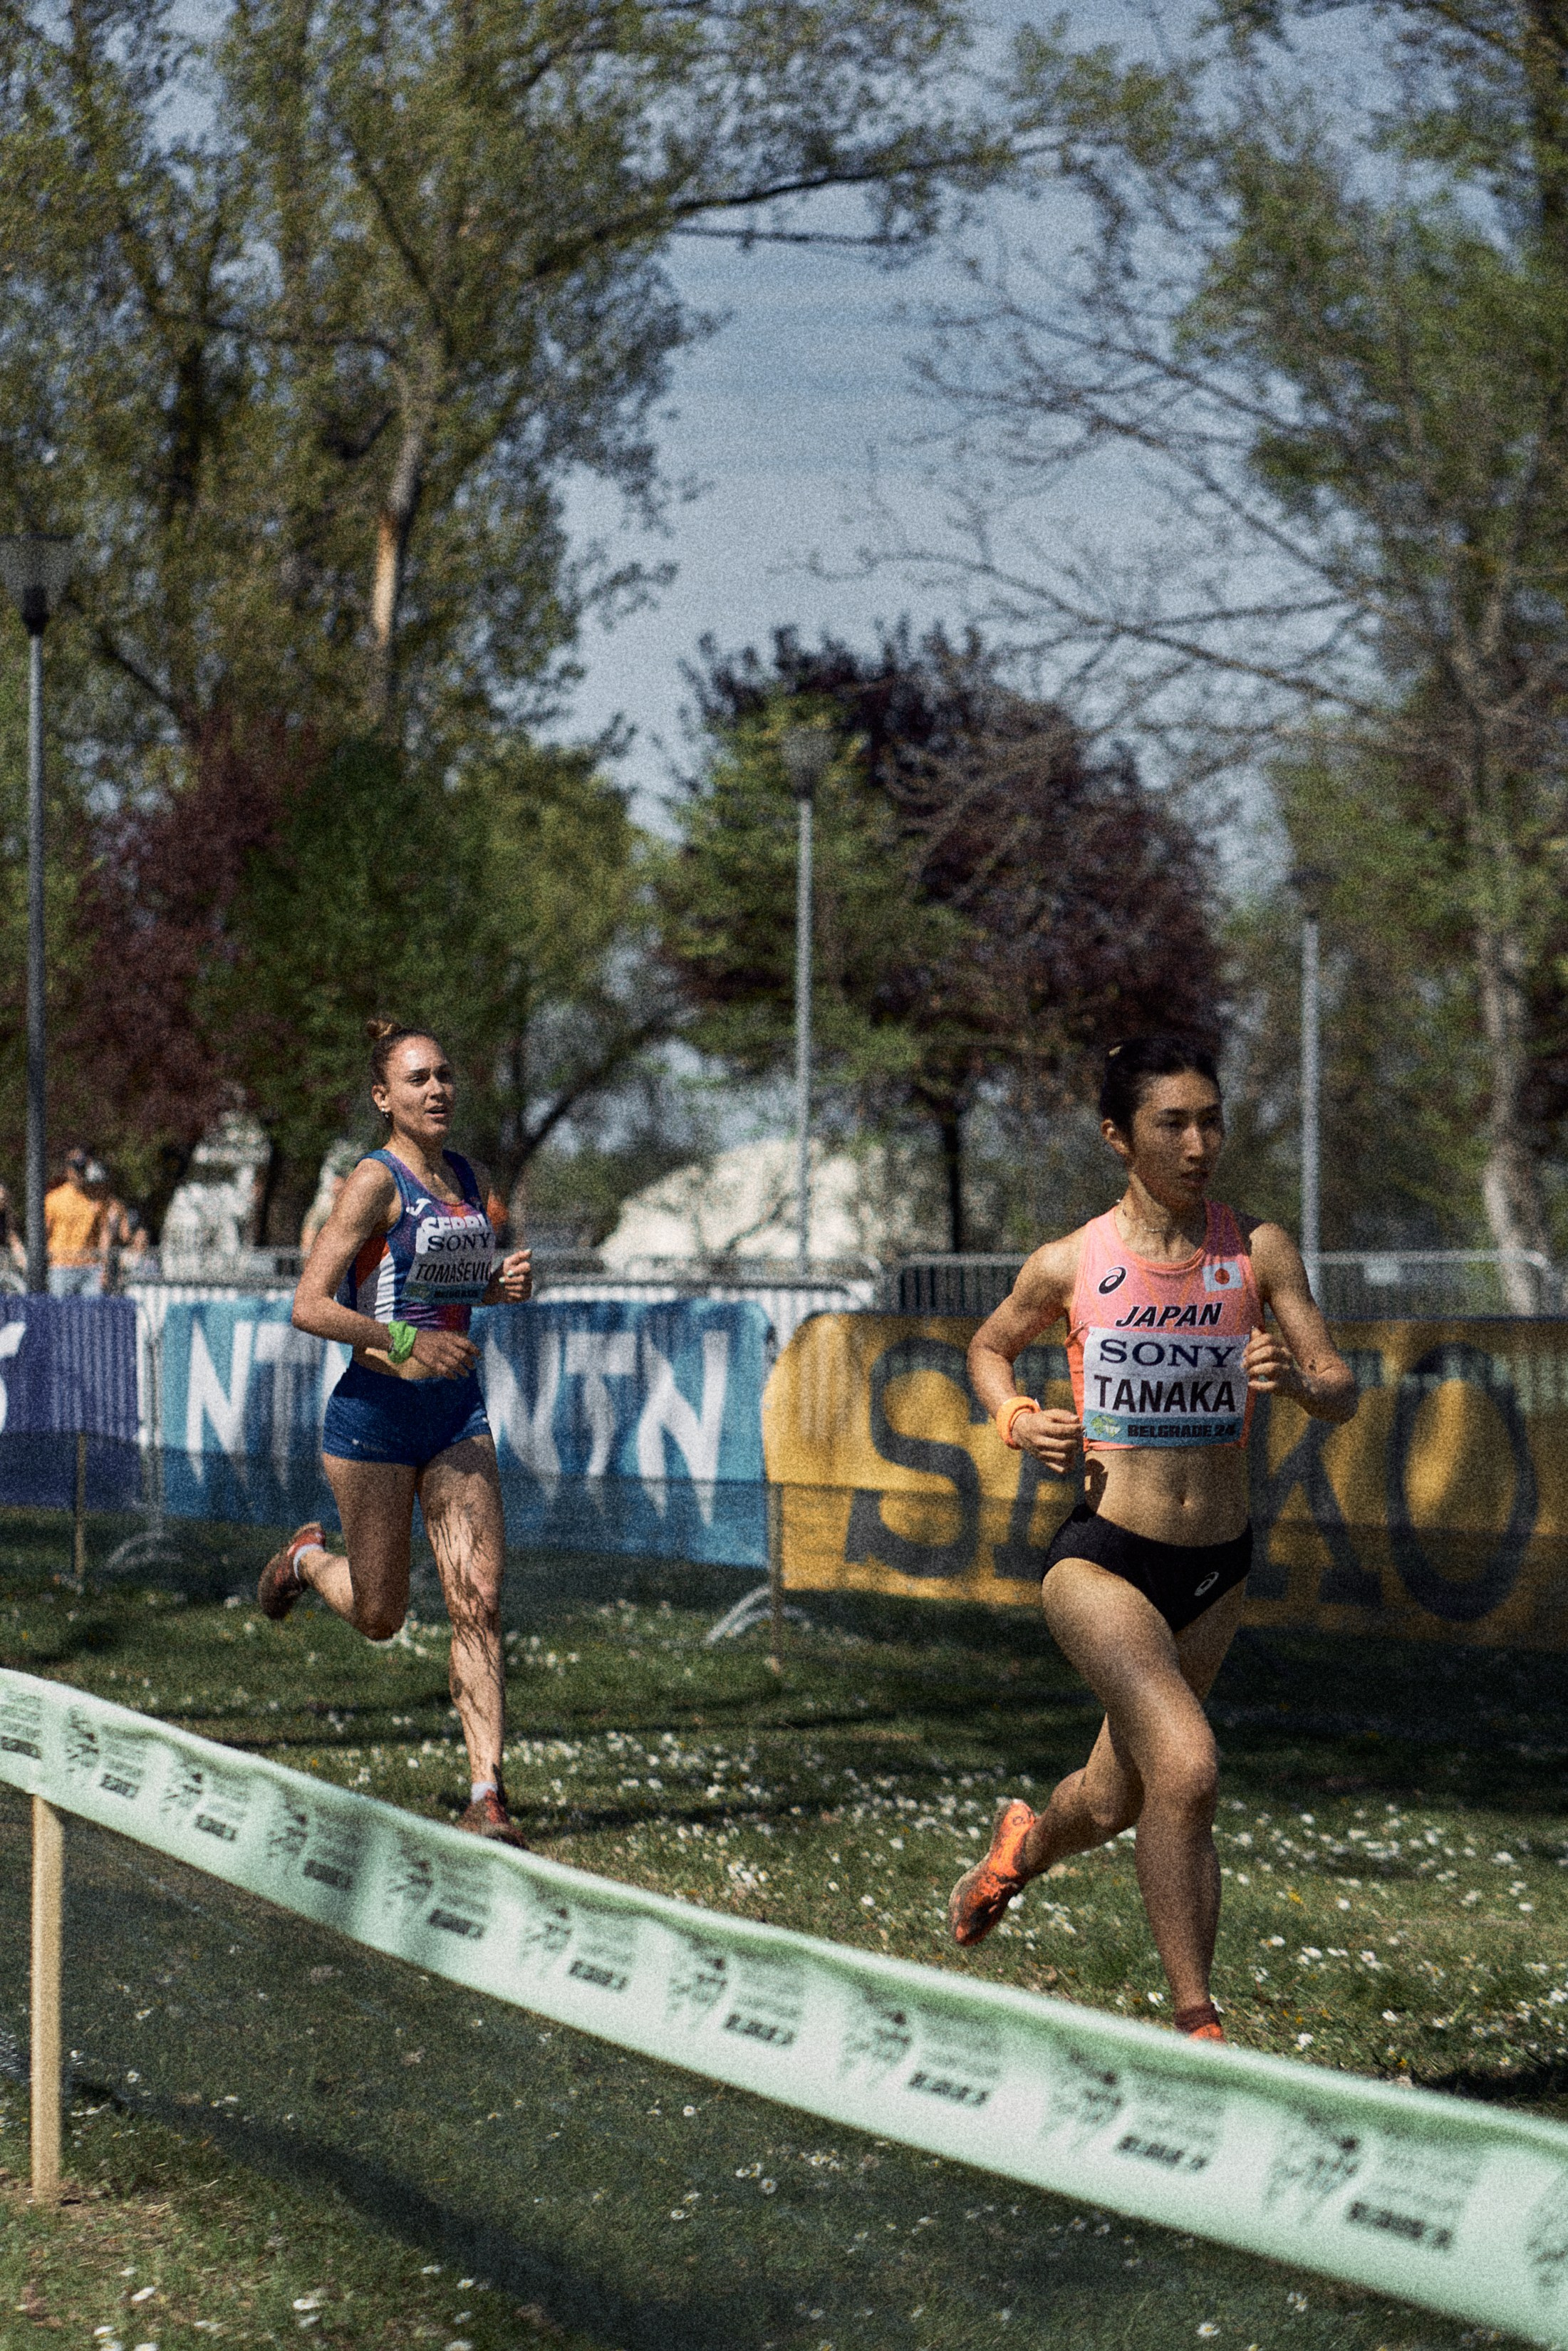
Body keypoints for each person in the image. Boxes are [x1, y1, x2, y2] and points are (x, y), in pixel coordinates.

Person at [950, 1034, 1357, 2040]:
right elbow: (990, 1347)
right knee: (1186, 1768)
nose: (1198, 1143)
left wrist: (1298, 1382)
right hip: (1104, 1559)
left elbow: (1338, 1386)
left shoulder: (1256, 1249)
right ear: (1117, 1138)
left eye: (1210, 1120)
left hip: (1216, 1570)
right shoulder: (1071, 1261)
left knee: (1113, 1795)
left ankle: (1016, 1853)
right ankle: (1198, 2026)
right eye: (1172, 1124)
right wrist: (1014, 1420)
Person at [259, 1020, 534, 1844]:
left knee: (477, 1600)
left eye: (445, 1075)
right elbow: (311, 1305)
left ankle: (486, 1793)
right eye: (417, 1079)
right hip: (373, 1420)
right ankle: (307, 1560)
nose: (437, 1089)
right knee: (382, 1616)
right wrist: (407, 1343)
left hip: (453, 1416)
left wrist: (495, 1286)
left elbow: (435, 1289)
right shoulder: (371, 1185)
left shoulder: (466, 1177)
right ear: (384, 1098)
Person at [45, 1147, 108, 1295]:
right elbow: (45, 1233)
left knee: (90, 1314)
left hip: (90, 1267)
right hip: (61, 1266)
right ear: (68, 1171)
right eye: (76, 1169)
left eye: (83, 1169)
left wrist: (104, 1265)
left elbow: (104, 1234)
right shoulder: (53, 1199)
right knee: (60, 1313)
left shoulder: (96, 1200)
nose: (80, 1174)